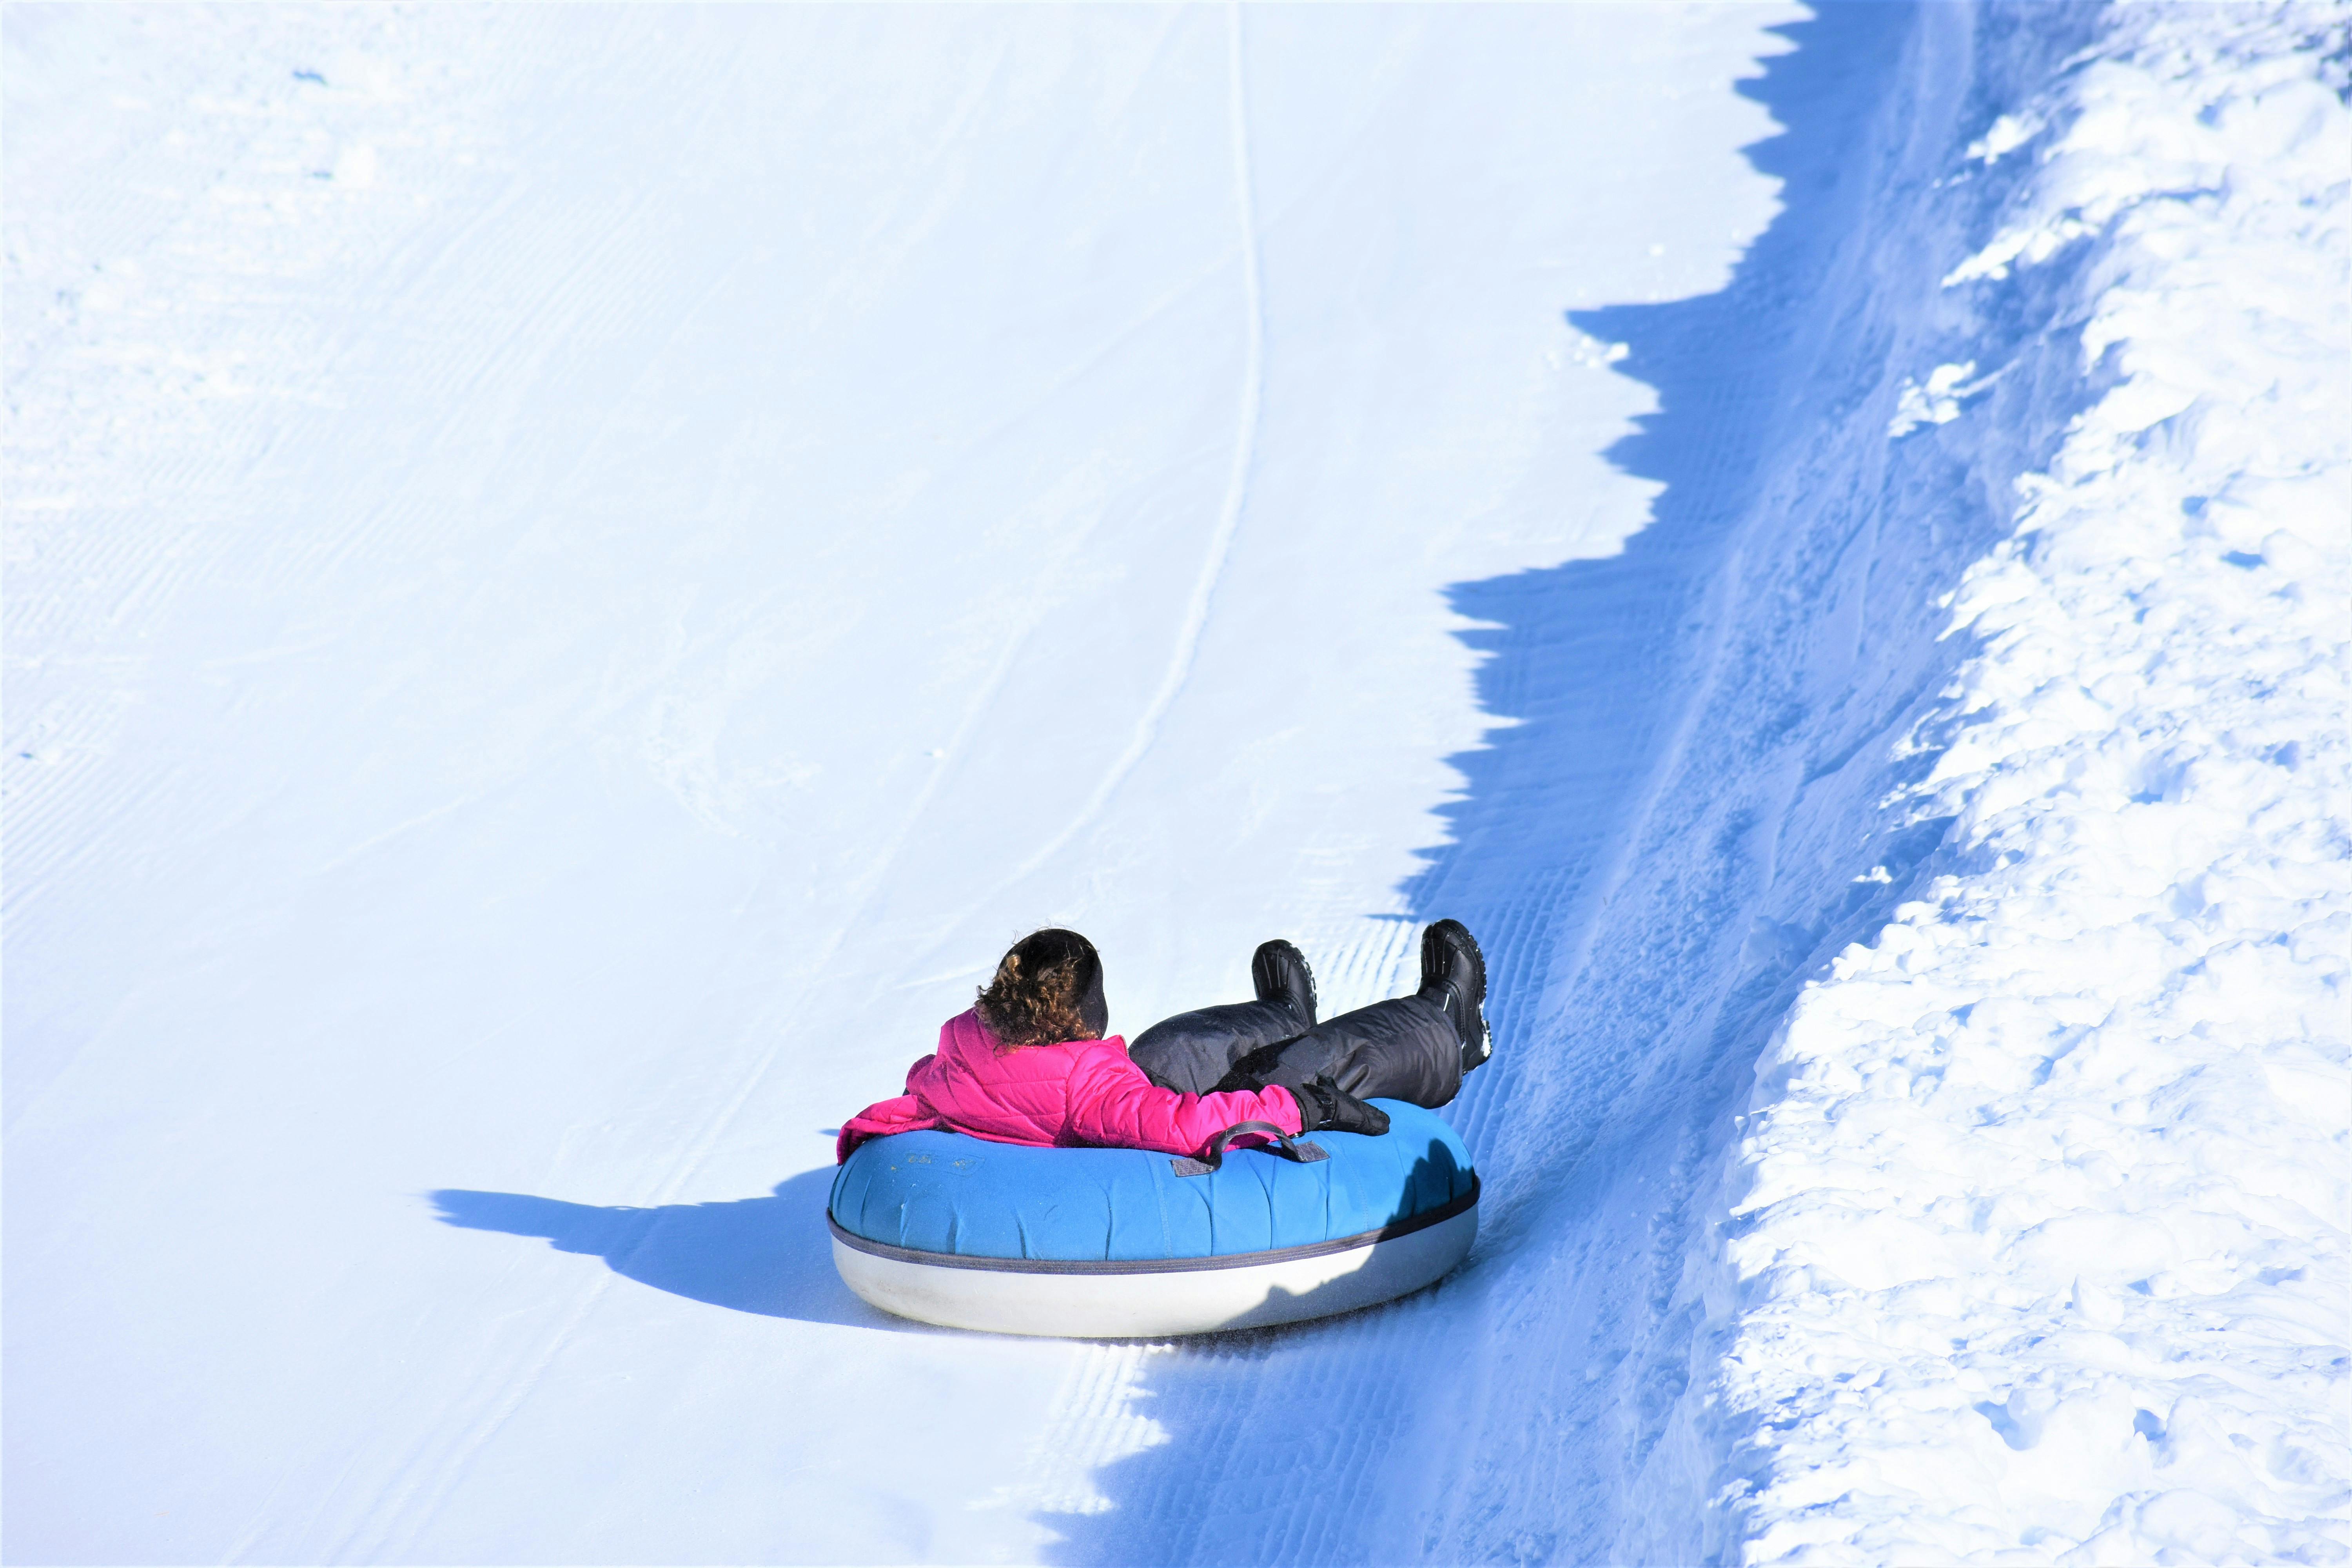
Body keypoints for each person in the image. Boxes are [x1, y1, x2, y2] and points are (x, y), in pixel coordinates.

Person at [835, 921, 1489, 1164]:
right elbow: (1180, 1128)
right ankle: (1447, 1027)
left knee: (1166, 1050)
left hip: (1083, 1091)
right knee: (1309, 1065)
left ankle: (1283, 1012)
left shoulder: (958, 1051)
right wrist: (1302, 1109)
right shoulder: (1088, 1090)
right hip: (1123, 1121)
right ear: (1082, 1016)